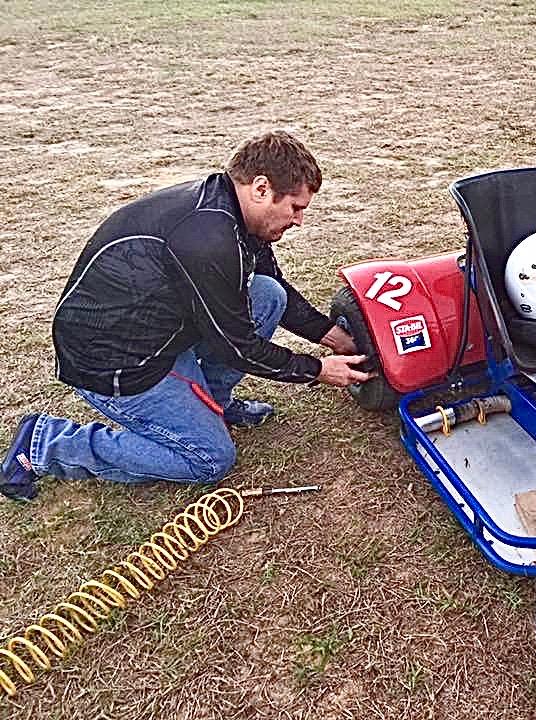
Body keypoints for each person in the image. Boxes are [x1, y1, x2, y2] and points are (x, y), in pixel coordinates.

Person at [0, 130, 372, 501]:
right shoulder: (207, 238)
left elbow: (272, 285)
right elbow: (238, 348)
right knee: (209, 459)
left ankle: (213, 402)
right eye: (296, 207)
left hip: (157, 330)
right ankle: (45, 444)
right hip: (115, 362)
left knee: (266, 294)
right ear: (261, 188)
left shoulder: (238, 214)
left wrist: (330, 335)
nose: (300, 220)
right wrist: (319, 370)